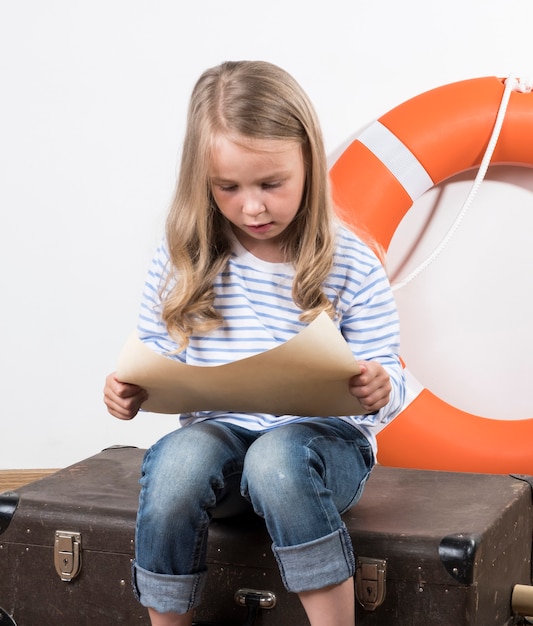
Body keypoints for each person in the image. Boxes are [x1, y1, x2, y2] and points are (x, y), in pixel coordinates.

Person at [104, 60, 405, 626]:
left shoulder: (348, 261)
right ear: (203, 181)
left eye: (271, 184)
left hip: (318, 455)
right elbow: (152, 354)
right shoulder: (182, 261)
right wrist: (128, 390)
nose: (252, 207)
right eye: (228, 188)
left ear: (309, 164)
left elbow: (388, 371)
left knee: (275, 458)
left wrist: (378, 384)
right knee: (175, 463)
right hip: (221, 449)